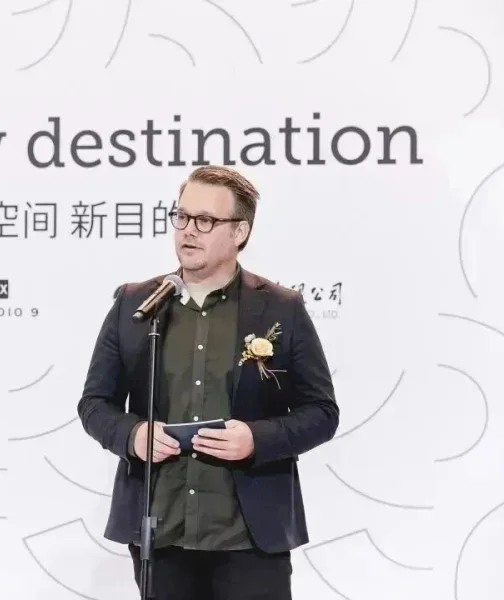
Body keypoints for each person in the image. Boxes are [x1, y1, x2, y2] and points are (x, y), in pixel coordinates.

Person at [76, 165, 339, 599]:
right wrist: (134, 435)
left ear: (240, 232)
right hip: (161, 530)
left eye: (205, 221)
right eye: (181, 216)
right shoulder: (136, 304)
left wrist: (256, 438)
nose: (188, 231)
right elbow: (95, 403)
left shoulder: (280, 308)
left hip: (250, 536)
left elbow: (322, 413)